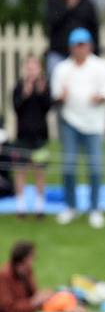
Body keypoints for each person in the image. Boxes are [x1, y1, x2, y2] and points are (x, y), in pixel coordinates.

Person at [51, 28, 105, 229]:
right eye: (76, 45)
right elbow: (55, 94)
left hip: (94, 123)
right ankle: (70, 206)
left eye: (83, 45)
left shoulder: (101, 66)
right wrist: (61, 96)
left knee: (95, 167)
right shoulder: (62, 68)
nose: (80, 49)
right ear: (71, 47)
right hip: (69, 121)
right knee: (68, 166)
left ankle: (95, 208)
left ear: (89, 46)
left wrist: (100, 97)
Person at [12, 56, 52, 218]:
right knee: (20, 170)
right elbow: (16, 108)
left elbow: (48, 107)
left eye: (34, 67)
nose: (31, 70)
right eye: (29, 67)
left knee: (39, 171)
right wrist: (25, 93)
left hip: (40, 137)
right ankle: (21, 206)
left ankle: (39, 206)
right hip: (23, 136)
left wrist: (41, 93)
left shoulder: (44, 86)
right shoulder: (19, 87)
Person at [45, 0, 99, 77]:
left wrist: (95, 52)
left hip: (81, 56)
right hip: (59, 53)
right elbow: (51, 23)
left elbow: (94, 30)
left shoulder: (87, 4)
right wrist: (68, 6)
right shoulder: (54, 2)